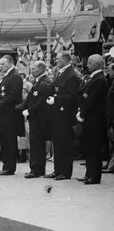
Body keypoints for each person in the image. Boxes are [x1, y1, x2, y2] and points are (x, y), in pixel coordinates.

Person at [45, 51, 80, 181]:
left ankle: (65, 172)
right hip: (57, 115)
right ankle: (58, 169)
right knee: (58, 143)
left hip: (65, 115)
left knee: (65, 144)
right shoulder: (61, 73)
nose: (56, 61)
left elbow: (72, 97)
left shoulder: (71, 75)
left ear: (66, 59)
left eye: (58, 58)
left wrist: (56, 99)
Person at [76, 54, 108, 185]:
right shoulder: (93, 78)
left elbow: (92, 99)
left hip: (95, 118)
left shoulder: (99, 79)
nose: (87, 65)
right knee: (88, 147)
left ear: (96, 64)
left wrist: (82, 112)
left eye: (89, 63)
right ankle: (89, 173)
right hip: (89, 117)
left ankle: (94, 176)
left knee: (94, 148)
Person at [0, 55, 24, 176]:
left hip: (9, 114)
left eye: (3, 64)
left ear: (10, 63)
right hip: (3, 114)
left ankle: (9, 167)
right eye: (0, 64)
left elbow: (14, 95)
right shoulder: (7, 76)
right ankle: (6, 165)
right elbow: (0, 92)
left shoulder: (15, 76)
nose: (0, 66)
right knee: (5, 140)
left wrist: (0, 104)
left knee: (9, 141)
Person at [18, 61, 51, 178]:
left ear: (41, 69)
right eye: (31, 69)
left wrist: (29, 111)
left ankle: (36, 169)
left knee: (36, 143)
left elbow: (41, 101)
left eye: (34, 69)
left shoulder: (44, 82)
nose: (32, 71)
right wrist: (19, 108)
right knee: (36, 143)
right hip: (35, 117)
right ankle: (38, 169)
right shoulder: (38, 82)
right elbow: (30, 99)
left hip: (39, 117)